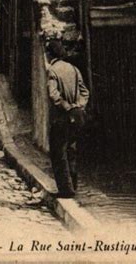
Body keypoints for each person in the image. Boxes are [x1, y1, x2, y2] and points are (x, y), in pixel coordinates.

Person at [45, 38, 89, 199]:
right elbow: (85, 92)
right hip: (77, 117)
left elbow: (53, 94)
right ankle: (73, 186)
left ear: (50, 54)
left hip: (61, 118)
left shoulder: (53, 71)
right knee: (71, 150)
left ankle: (65, 189)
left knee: (58, 152)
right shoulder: (73, 69)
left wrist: (67, 107)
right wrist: (79, 106)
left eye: (47, 53)